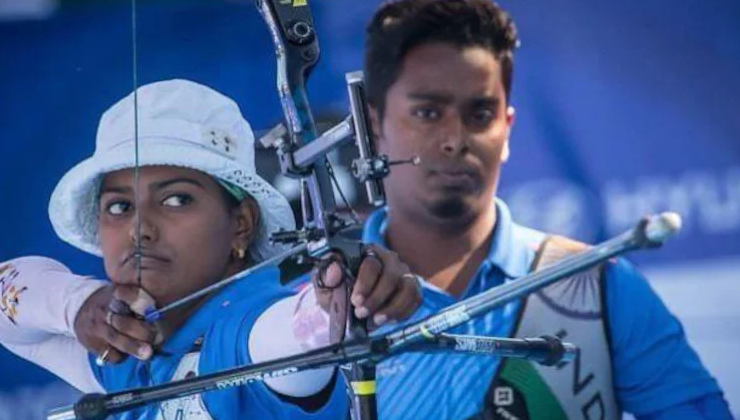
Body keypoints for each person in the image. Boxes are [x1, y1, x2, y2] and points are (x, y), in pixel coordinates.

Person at [2, 1, 734, 419]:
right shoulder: (140, 349)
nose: (452, 137)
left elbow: (290, 334)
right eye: (425, 111)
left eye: (479, 111)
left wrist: (327, 310)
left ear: (510, 126)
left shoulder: (593, 285)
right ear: (373, 127)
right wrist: (78, 303)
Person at [0, 78, 422, 419]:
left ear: (241, 224)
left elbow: (294, 334)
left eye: (177, 200)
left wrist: (339, 305)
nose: (139, 229)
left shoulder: (244, 321)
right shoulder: (129, 350)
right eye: (119, 207)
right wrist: (78, 305)